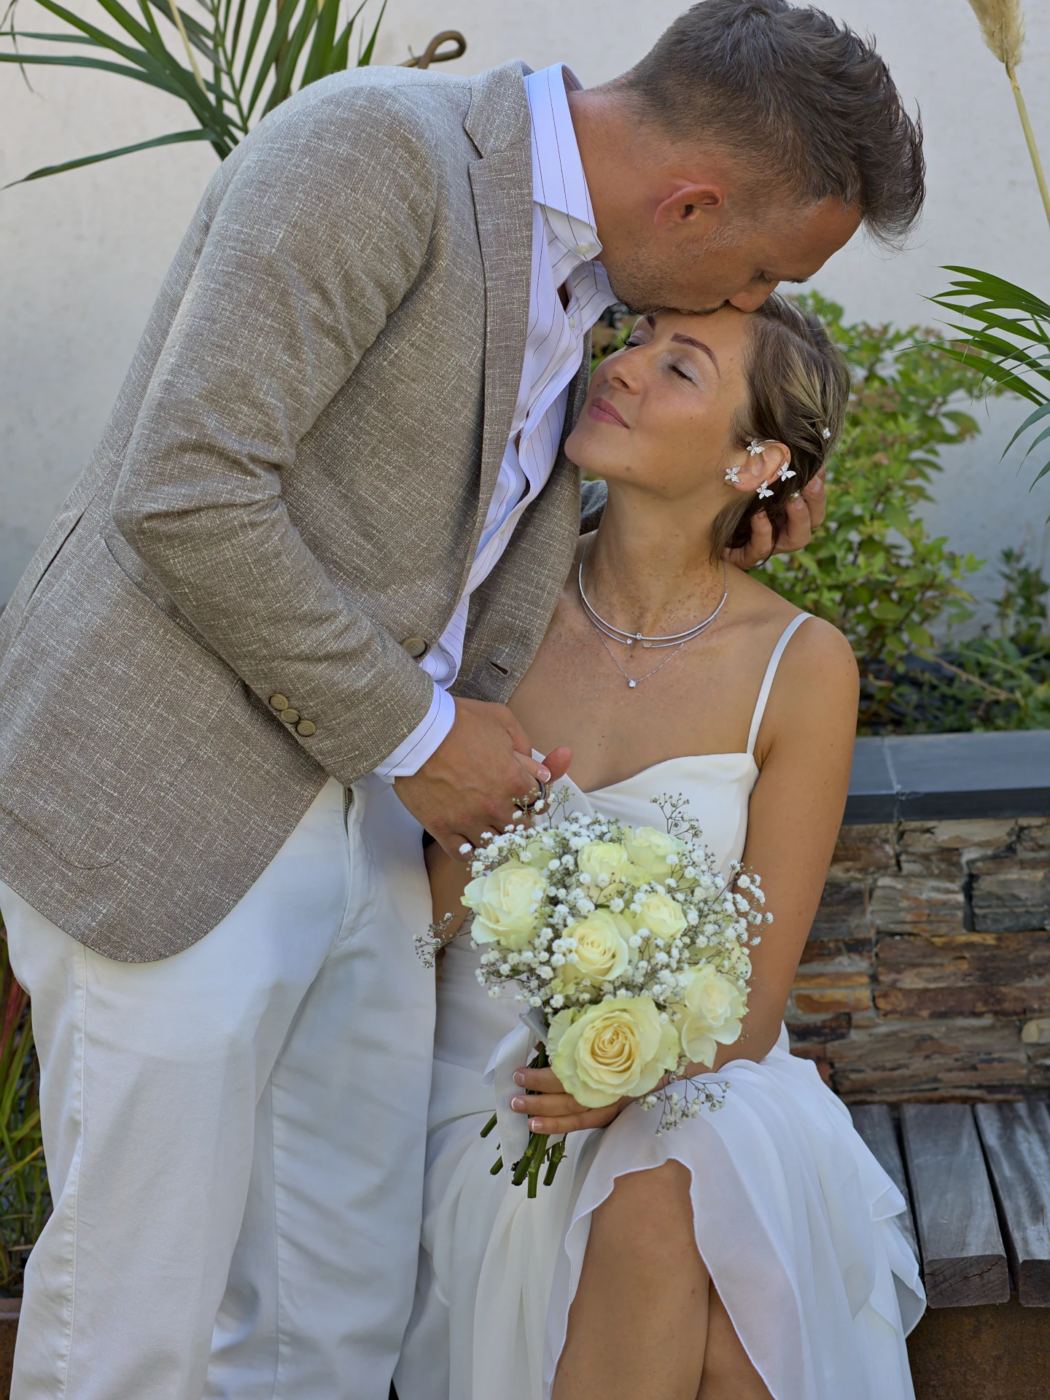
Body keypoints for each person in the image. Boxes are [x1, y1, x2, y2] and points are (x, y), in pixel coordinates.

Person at [0, 2, 922, 1396]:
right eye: (757, 274)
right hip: (178, 819)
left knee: (331, 1320)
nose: (743, 307)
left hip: (364, 845)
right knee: (134, 1322)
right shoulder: (378, 152)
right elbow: (186, 490)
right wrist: (423, 737)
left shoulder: (586, 290)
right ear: (693, 199)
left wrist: (737, 505)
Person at [397, 296, 924, 1400]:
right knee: (711, 1265)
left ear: (756, 459)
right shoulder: (494, 599)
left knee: (684, 1167)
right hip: (494, 1099)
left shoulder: (803, 664)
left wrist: (621, 1068)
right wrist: (504, 825)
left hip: (701, 1074)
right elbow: (409, 920)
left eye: (679, 367)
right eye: (634, 338)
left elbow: (754, 1003)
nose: (624, 366)